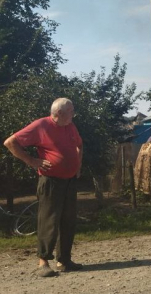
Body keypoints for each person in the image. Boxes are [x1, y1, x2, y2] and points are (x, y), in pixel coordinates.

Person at [3, 98, 83, 277]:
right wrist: (32, 161)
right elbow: (10, 142)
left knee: (68, 220)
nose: (73, 114)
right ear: (59, 113)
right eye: (71, 111)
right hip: (51, 181)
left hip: (69, 181)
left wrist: (78, 165)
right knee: (49, 220)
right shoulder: (41, 126)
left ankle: (64, 260)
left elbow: (79, 145)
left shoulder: (70, 126)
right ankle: (43, 262)